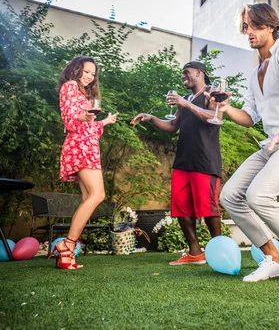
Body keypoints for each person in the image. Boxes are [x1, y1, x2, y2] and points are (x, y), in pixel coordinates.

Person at [211, 3, 279, 284]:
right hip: (270, 144)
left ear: (270, 26)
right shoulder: (255, 70)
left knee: (258, 195)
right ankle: (274, 258)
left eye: (255, 25)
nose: (249, 32)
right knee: (230, 196)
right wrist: (225, 109)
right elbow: (248, 117)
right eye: (245, 27)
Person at [131, 61, 223, 265]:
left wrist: (186, 104)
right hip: (183, 161)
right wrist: (151, 118)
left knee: (208, 208)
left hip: (204, 161)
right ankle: (195, 252)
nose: (183, 77)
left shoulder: (211, 93)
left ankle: (221, 251)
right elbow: (173, 126)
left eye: (187, 73)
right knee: (181, 208)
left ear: (199, 73)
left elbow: (214, 116)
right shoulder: (187, 99)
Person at [54, 56, 118, 270]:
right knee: (97, 195)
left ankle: (67, 254)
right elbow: (69, 118)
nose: (90, 76)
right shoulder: (70, 86)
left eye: (93, 73)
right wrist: (81, 116)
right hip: (80, 147)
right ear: (76, 69)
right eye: (86, 71)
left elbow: (88, 126)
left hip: (88, 146)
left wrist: (104, 122)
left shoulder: (83, 94)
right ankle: (67, 244)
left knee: (87, 198)